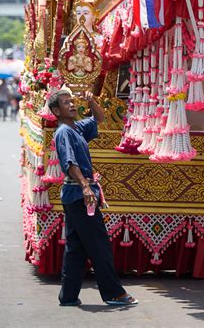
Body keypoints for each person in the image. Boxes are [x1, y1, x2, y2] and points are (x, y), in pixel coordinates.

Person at [48, 87, 138, 308]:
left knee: (76, 248)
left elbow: (99, 117)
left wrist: (92, 101)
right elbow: (70, 163)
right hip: (79, 195)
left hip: (76, 195)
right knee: (99, 245)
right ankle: (113, 293)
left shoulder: (76, 127)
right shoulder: (64, 132)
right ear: (56, 111)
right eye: (66, 103)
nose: (71, 105)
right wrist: (86, 187)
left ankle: (68, 296)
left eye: (72, 101)